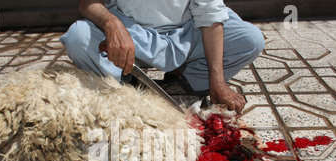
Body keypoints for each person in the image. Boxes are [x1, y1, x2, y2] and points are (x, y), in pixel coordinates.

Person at [60, 0, 264, 114]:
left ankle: (182, 80)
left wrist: (218, 82)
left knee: (250, 40)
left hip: (184, 33)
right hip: (127, 33)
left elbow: (210, 16)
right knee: (79, 38)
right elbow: (87, 3)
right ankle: (125, 80)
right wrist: (112, 24)